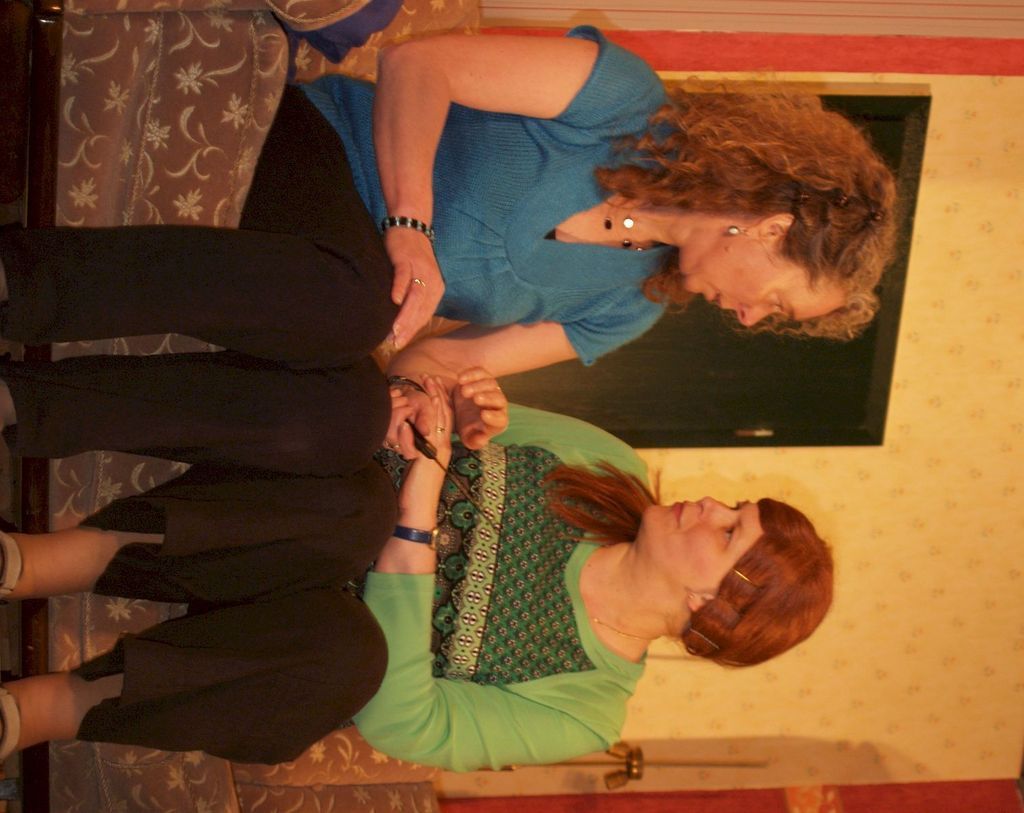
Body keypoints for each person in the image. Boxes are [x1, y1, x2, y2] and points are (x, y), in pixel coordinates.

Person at [1, 26, 897, 450]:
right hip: (328, 149)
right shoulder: (626, 102)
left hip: (339, 289)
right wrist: (409, 227)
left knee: (350, 418)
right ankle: (18, 287)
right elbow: (418, 63)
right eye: (778, 300)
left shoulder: (630, 308)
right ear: (770, 226)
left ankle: (27, 408)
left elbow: (419, 359)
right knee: (351, 306)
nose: (750, 318)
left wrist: (452, 402)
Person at [0, 383, 834, 770]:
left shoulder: (584, 707)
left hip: (292, 649)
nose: (712, 503)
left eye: (729, 530)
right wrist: (441, 408)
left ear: (711, 606)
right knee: (354, 505)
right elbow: (439, 397)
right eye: (736, 505)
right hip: (287, 515)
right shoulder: (607, 465)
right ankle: (38, 559)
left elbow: (406, 723)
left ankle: (45, 707)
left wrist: (416, 523)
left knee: (350, 651)